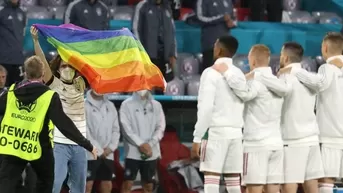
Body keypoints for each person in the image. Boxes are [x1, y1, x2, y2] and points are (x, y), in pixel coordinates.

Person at [0, 56, 97, 193]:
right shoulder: (49, 96)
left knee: (5, 184)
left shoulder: (10, 92)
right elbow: (64, 125)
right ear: (43, 73)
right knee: (46, 181)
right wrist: (87, 144)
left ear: (26, 73)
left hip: (14, 146)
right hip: (39, 147)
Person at [213, 44, 285, 193]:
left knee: (254, 190)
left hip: (256, 145)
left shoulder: (256, 82)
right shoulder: (277, 82)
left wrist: (227, 73)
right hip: (276, 144)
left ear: (252, 61)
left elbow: (244, 93)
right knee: (273, 189)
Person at [278, 32, 343, 193]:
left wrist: (293, 71)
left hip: (330, 134)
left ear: (325, 47)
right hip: (329, 135)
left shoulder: (327, 67)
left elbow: (320, 84)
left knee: (326, 180)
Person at [30, 26, 89, 193]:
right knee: (54, 186)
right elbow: (40, 59)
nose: (67, 69)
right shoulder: (53, 84)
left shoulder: (80, 84)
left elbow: (88, 62)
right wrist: (36, 41)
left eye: (70, 66)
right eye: (63, 66)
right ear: (57, 68)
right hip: (59, 143)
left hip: (79, 143)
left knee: (79, 188)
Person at [191, 35, 243, 193]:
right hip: (236, 133)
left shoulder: (210, 73)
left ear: (219, 49)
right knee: (233, 181)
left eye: (215, 45)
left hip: (215, 133)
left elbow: (205, 108)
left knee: (211, 178)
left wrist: (197, 137)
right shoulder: (239, 73)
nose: (213, 48)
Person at [276, 42, 324, 193]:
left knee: (289, 183)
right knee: (311, 184)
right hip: (311, 138)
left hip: (292, 139)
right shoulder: (310, 78)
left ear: (284, 57)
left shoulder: (283, 79)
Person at [120, 89, 166, 193]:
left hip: (151, 152)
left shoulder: (157, 105)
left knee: (149, 185)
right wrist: (140, 144)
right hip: (132, 153)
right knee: (128, 184)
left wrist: (150, 144)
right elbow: (126, 128)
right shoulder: (126, 104)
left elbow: (161, 127)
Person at [132, 0, 177, 85]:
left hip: (165, 57)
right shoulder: (142, 6)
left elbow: (172, 32)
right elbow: (135, 30)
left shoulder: (167, 7)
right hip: (148, 57)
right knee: (147, 88)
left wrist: (173, 53)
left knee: (164, 87)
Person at [85, 89, 120, 193]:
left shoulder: (111, 106)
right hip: (89, 153)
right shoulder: (82, 105)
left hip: (108, 153)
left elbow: (116, 129)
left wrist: (110, 148)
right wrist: (99, 151)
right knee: (87, 185)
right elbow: (84, 131)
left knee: (107, 183)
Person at [196, 0, 236, 73]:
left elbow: (234, 18)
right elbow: (200, 18)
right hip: (211, 45)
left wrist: (233, 23)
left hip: (226, 46)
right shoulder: (202, 1)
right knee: (210, 75)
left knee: (225, 75)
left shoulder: (229, 1)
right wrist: (221, 18)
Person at [0, 0, 26, 85]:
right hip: (4, 60)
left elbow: (22, 34)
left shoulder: (22, 13)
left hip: (18, 59)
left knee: (17, 91)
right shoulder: (1, 11)